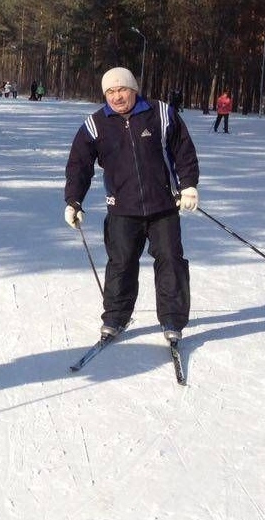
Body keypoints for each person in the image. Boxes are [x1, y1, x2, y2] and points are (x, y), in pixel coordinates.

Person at [63, 66, 199, 343]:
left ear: (133, 89)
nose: (116, 96)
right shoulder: (95, 124)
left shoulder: (160, 113)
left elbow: (183, 150)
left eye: (121, 89)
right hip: (122, 208)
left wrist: (188, 185)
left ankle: (172, 319)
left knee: (170, 261)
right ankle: (115, 317)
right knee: (121, 264)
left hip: (163, 206)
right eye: (110, 92)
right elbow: (79, 165)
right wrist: (74, 200)